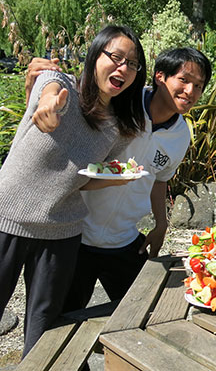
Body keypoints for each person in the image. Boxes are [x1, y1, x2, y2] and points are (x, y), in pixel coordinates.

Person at [26, 47, 211, 312]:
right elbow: (73, 102)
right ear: (160, 76)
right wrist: (44, 85)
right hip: (76, 237)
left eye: (198, 85)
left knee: (145, 312)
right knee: (57, 321)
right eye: (183, 80)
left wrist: (161, 224)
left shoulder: (180, 134)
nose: (190, 92)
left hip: (123, 241)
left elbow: (160, 179)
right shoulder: (123, 104)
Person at [0, 25, 147, 356]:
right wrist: (48, 103)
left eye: (133, 64)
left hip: (62, 231)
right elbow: (48, 89)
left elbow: (85, 176)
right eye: (116, 57)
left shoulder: (118, 128)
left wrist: (115, 179)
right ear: (95, 56)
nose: (124, 68)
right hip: (6, 218)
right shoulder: (59, 86)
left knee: (44, 331)